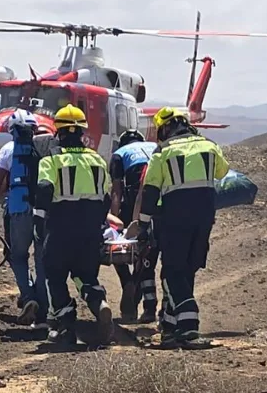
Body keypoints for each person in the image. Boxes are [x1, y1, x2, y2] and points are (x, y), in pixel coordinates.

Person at [138, 107, 229, 348]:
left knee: (172, 272)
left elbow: (150, 192)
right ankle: (170, 327)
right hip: (204, 219)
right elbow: (222, 171)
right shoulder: (209, 145)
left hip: (174, 219)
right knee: (188, 269)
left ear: (166, 127)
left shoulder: (163, 151)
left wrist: (143, 225)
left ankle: (188, 326)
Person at [35, 104, 114, 346]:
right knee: (85, 274)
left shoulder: (51, 160)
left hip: (61, 227)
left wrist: (39, 223)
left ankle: (66, 327)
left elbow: (44, 189)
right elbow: (107, 197)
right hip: (90, 229)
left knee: (55, 275)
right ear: (82, 132)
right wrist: (98, 223)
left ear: (58, 132)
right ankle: (98, 302)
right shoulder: (97, 160)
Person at [0, 110, 47, 325]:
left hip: (18, 210)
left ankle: (28, 296)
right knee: (41, 258)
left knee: (17, 255)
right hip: (43, 211)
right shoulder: (44, 149)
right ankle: (43, 308)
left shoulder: (8, 150)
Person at [109, 129, 158, 322]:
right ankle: (147, 304)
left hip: (133, 204)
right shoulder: (156, 147)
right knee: (147, 255)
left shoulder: (119, 154)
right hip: (159, 203)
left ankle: (127, 281)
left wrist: (114, 222)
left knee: (118, 246)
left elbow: (116, 191)